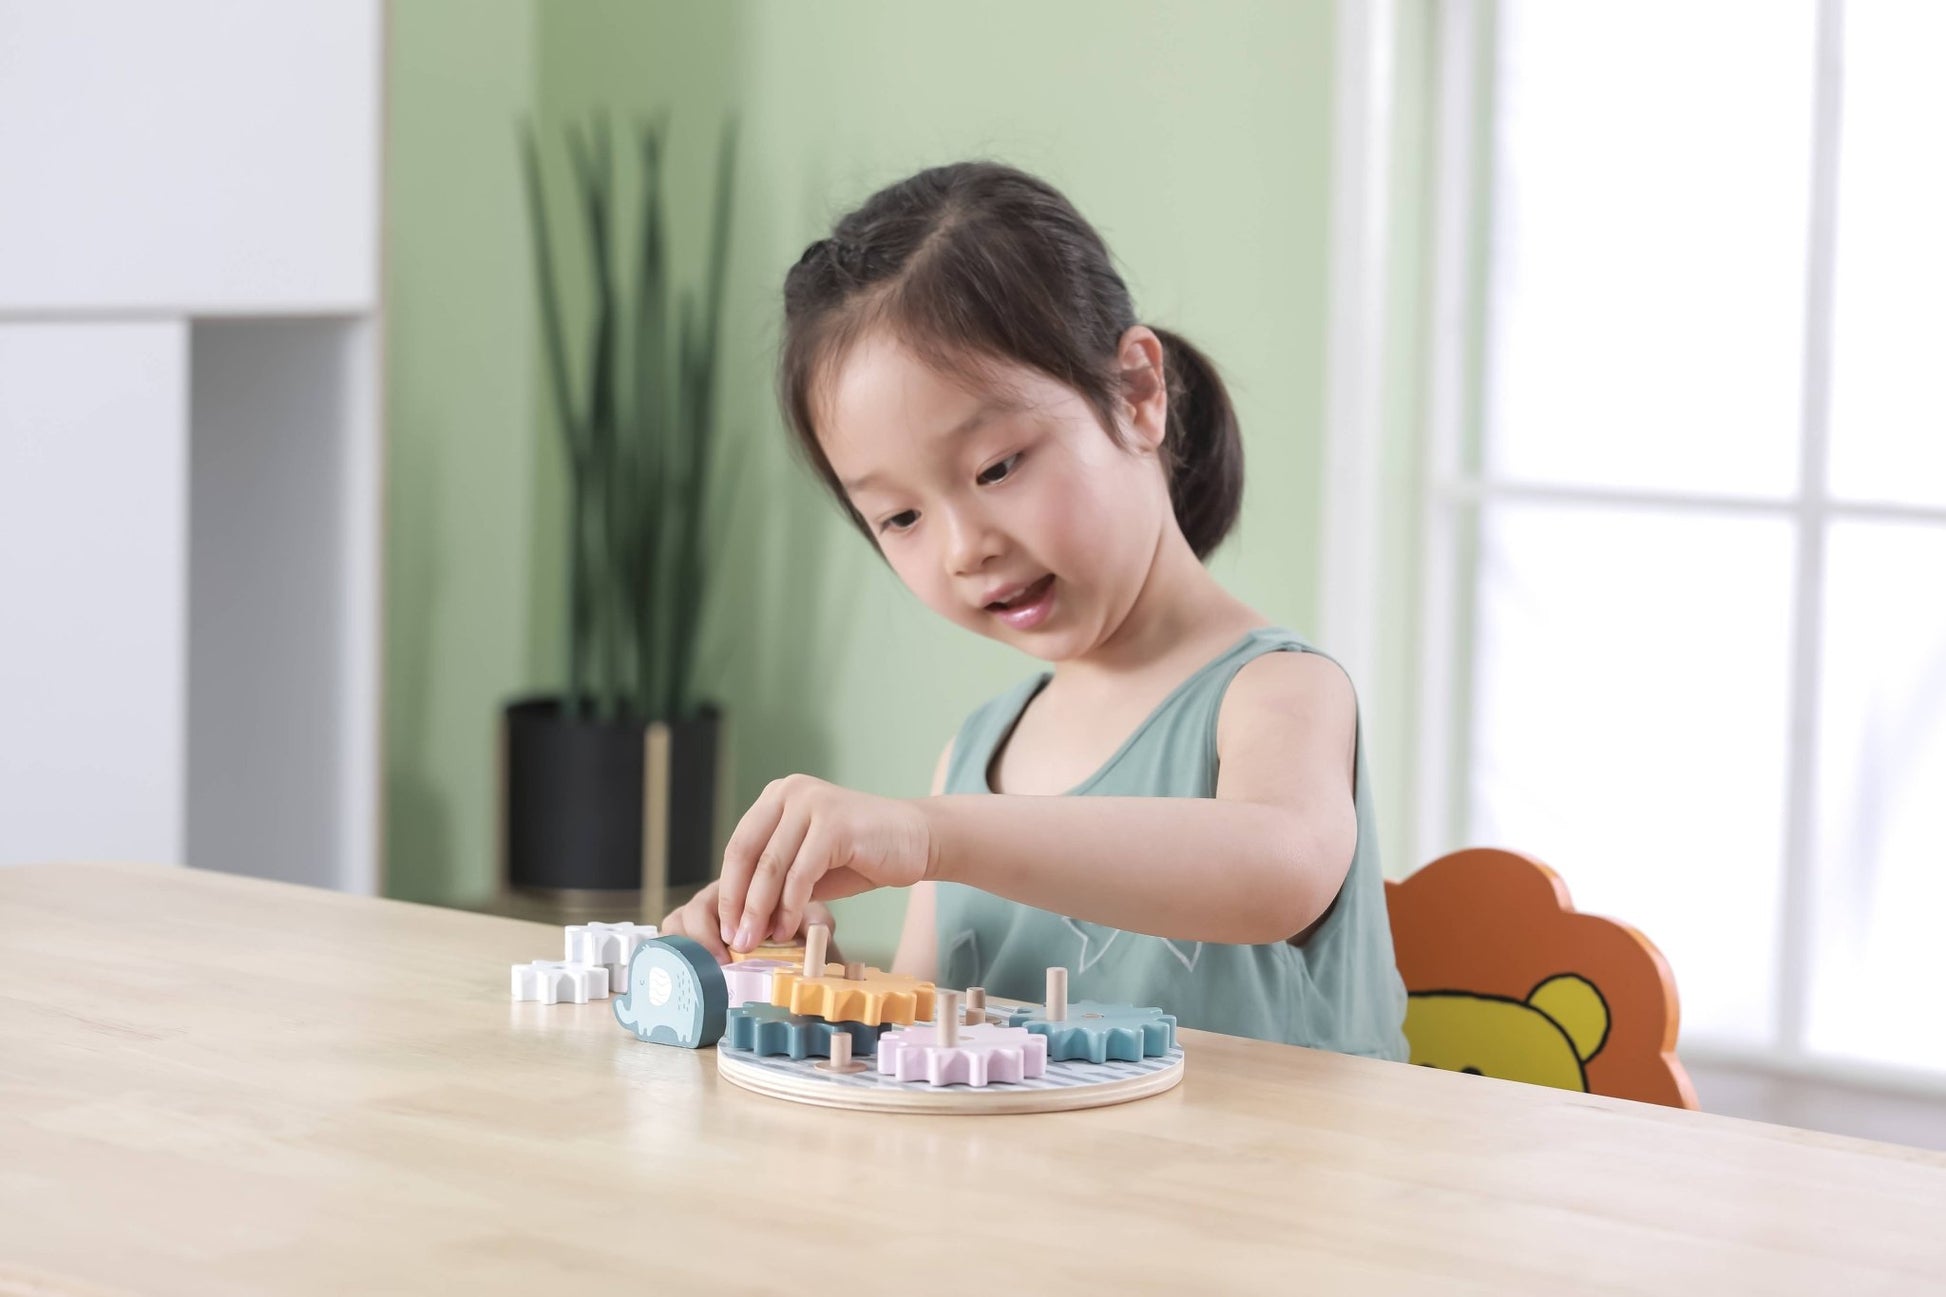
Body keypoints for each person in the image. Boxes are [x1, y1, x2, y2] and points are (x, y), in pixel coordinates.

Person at [661, 160, 1406, 1057]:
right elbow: (926, 1026)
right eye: (899, 516)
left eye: (997, 468)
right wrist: (784, 963)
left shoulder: (1277, 691)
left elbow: (1280, 864)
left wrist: (931, 833)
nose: (962, 546)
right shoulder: (975, 754)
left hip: (1267, 1198)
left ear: (1136, 393)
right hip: (1029, 1200)